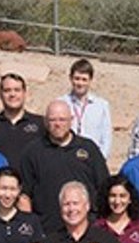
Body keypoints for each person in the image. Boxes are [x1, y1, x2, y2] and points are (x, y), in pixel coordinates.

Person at [24, 100, 110, 233]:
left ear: (71, 120)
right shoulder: (33, 151)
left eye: (62, 119)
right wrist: (32, 229)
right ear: (46, 122)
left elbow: (104, 188)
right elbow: (24, 196)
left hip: (86, 230)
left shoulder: (88, 148)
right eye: (53, 120)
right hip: (48, 231)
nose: (57, 124)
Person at [0, 71, 45, 169]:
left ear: (24, 93)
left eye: (17, 90)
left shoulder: (41, 124)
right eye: (7, 90)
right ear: (0, 94)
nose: (12, 94)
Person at [64, 57, 115, 157]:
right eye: (77, 78)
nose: (80, 83)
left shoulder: (101, 105)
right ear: (70, 78)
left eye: (84, 79)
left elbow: (106, 137)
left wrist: (100, 159)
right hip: (67, 157)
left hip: (92, 158)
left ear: (90, 80)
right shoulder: (61, 103)